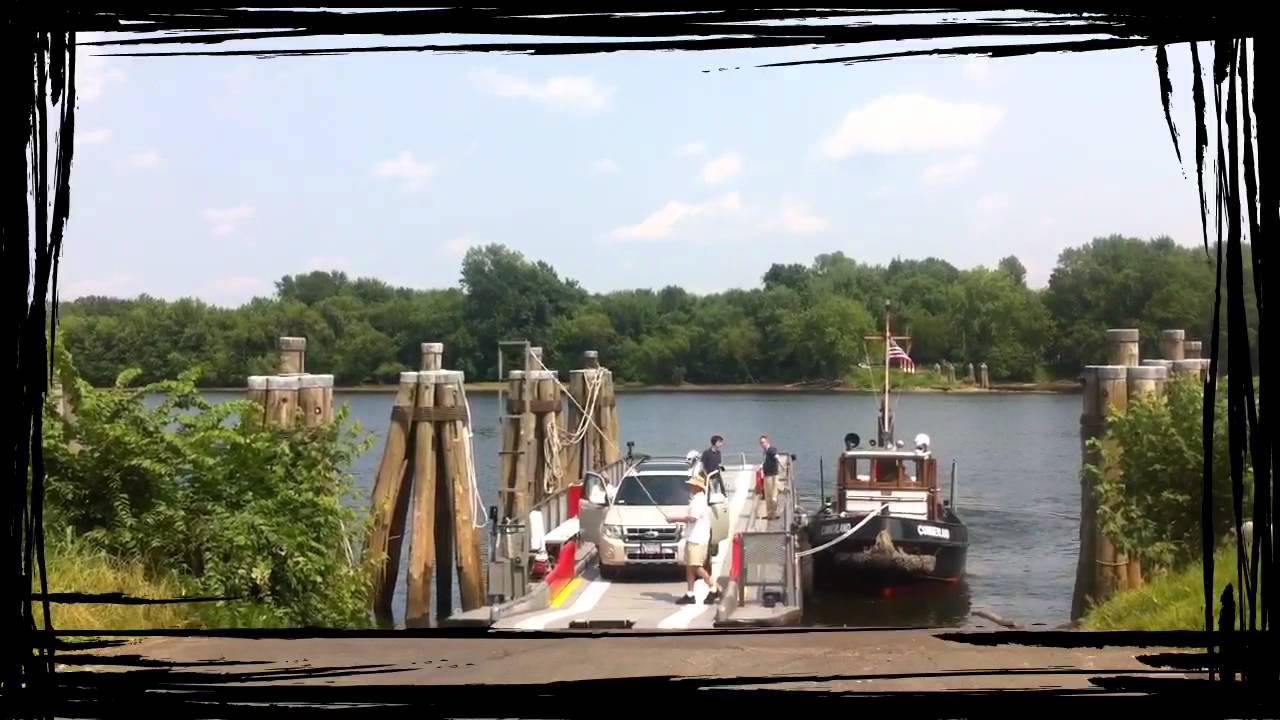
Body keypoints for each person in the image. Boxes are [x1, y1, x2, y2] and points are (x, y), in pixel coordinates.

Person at [664, 469, 721, 605]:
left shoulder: (699, 501)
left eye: (691, 485)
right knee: (690, 566)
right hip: (692, 537)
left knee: (696, 567)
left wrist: (674, 519)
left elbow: (692, 518)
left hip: (697, 538)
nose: (689, 487)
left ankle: (714, 588)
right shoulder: (696, 499)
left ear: (697, 486)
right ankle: (690, 594)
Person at [759, 434, 781, 520]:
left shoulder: (771, 449)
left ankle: (773, 513)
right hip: (768, 474)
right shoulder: (765, 451)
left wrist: (776, 457)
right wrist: (762, 465)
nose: (762, 444)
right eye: (761, 443)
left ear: (767, 442)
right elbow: (767, 460)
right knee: (769, 495)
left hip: (772, 475)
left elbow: (775, 455)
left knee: (772, 495)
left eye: (763, 442)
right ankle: (770, 514)